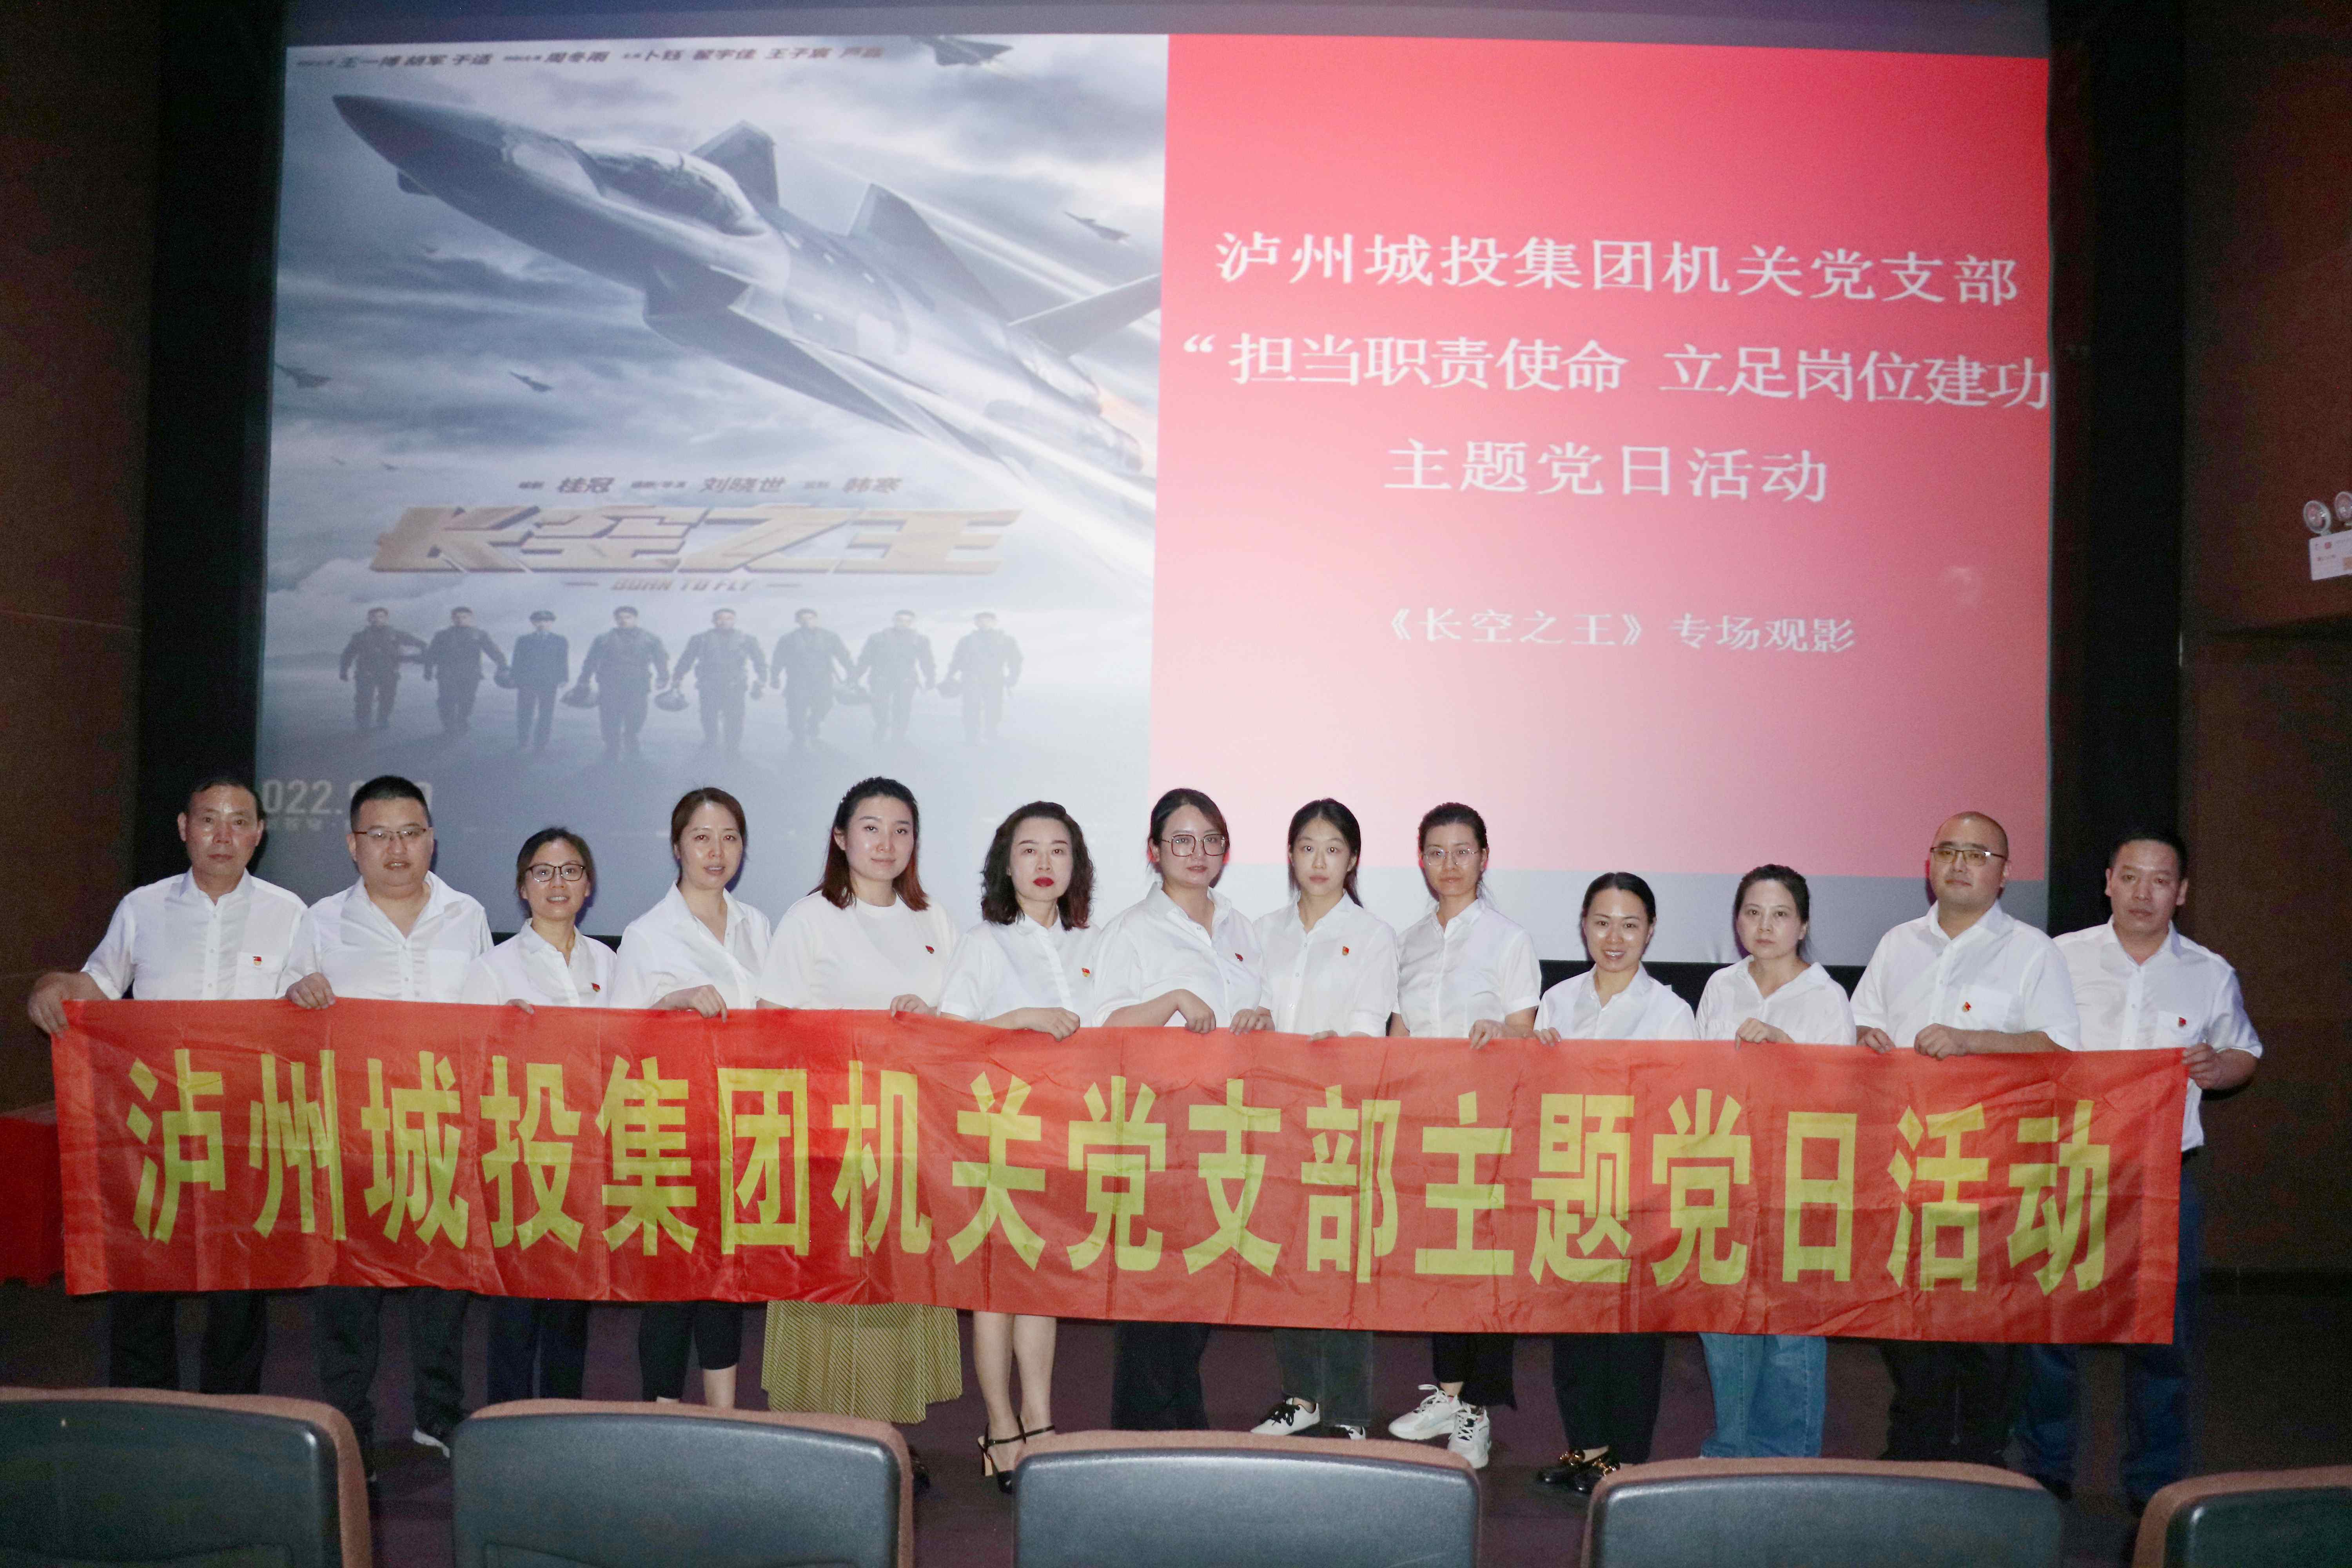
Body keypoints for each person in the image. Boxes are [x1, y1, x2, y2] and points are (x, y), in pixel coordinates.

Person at [25, 775, 306, 1396]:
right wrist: (51, 984)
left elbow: (307, 1003)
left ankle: (231, 1412)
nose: (223, 835)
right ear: (184, 828)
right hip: (154, 1121)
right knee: (145, 1271)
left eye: (239, 822)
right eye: (209, 820)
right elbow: (97, 985)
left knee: (239, 1283)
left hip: (242, 1123)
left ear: (259, 834)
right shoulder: (142, 908)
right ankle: (144, 1407)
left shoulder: (291, 913)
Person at [2018, 829, 2260, 1511]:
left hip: (2162, 1177)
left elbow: (2244, 1054)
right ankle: (2046, 1468)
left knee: (2161, 1339)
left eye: (2160, 880)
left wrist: (2218, 1067)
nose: (2143, 893)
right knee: (2051, 1331)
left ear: (2181, 892)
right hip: (2068, 1169)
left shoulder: (2209, 972)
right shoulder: (2059, 959)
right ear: (2108, 883)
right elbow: (2022, 1043)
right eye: (2130, 877)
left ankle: (2153, 1483)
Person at [1851, 809, 2081, 1468]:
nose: (1960, 863)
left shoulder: (2033, 951)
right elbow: (1860, 1025)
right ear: (1929, 863)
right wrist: (1865, 1040)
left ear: (2004, 874)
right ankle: (1916, 1449)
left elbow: (2061, 1049)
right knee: (1908, 1316)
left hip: (1994, 1171)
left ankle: (1982, 1458)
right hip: (1906, 1164)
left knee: (1988, 1329)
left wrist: (1972, 1040)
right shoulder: (1897, 944)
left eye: (1978, 854)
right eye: (1948, 850)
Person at [281, 775, 493, 1466]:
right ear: (353, 844)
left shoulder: (467, 915)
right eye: (380, 835)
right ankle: (351, 1428)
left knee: (443, 1287)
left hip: (442, 1129)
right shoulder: (319, 921)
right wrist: (296, 993)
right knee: (348, 1291)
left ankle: (439, 1415)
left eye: (410, 834)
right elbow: (278, 1020)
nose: (397, 849)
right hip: (353, 1135)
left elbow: (487, 1014)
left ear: (432, 840)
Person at [755, 777, 962, 1459]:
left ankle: (883, 1440)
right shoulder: (810, 918)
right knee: (834, 1284)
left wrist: (933, 1020)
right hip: (831, 1135)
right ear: (841, 838)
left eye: (902, 830)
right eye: (871, 828)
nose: (886, 843)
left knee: (894, 1285)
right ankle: (824, 1441)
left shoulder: (933, 921)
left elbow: (963, 1023)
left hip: (909, 1136)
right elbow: (771, 1027)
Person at [1088, 787, 1274, 1431]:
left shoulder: (1243, 927)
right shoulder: (1131, 930)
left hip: (1227, 1128)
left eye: (1211, 841)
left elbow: (1262, 1010)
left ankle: (1182, 1423)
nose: (1198, 853)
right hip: (1155, 1129)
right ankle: (1145, 1437)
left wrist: (1262, 1019)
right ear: (1154, 851)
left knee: (1201, 1285)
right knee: (1152, 1290)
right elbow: (1103, 1027)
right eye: (1182, 841)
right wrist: (1170, 998)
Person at [936, 801, 1097, 1488]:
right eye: (1029, 850)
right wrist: (1023, 1019)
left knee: (1040, 1282)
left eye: (1058, 850)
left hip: (1063, 1135)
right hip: (995, 1135)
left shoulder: (1090, 945)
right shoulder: (984, 942)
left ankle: (1040, 1418)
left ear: (1075, 865)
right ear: (1006, 864)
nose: (1044, 863)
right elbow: (948, 1038)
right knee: (994, 1289)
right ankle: (1000, 1425)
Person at [1527, 872, 1697, 1494]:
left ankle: (1624, 1460)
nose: (1615, 938)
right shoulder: (1558, 1001)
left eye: (1630, 925)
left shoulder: (1671, 1012)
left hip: (1638, 1191)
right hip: (1573, 1183)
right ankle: (1586, 1447)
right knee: (1574, 1326)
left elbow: (1679, 1106)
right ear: (1583, 927)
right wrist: (1533, 1056)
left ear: (1651, 932)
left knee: (1631, 1333)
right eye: (1602, 923)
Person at [1383, 802, 1541, 1469]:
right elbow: (1398, 1031)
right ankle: (1448, 1393)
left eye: (1463, 851)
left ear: (1484, 858)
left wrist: (1503, 1034)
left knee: (1488, 1269)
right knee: (1439, 1262)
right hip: (1426, 1126)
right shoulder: (1408, 941)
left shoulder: (1508, 940)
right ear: (1421, 861)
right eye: (1436, 852)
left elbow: (1527, 1034)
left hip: (1489, 1130)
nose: (1450, 864)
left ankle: (1479, 1405)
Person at [610, 788, 772, 1410]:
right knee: (673, 1281)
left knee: (725, 1276)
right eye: (702, 838)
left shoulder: (757, 925)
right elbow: (617, 1040)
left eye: (729, 837)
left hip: (739, 1125)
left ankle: (724, 1415)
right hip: (670, 1129)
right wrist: (672, 1004)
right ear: (677, 846)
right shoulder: (647, 934)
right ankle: (664, 1415)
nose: (716, 851)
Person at [1687, 866, 1856, 1461]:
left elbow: (1842, 1100)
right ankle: (1730, 1447)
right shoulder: (1721, 986)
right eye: (1753, 913)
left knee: (1791, 1328)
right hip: (1726, 1173)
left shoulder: (1826, 997)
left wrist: (1788, 1054)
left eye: (1781, 914)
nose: (1765, 926)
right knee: (1725, 1321)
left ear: (1803, 925)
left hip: (1799, 1180)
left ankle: (1785, 1459)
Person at [1250, 799, 1399, 1443]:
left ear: (1353, 859)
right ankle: (1300, 1395)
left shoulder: (1373, 935)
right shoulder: (1262, 931)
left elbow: (1370, 1027)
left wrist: (1339, 1046)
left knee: (1339, 1262)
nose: (1319, 861)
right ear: (1290, 855)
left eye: (1333, 849)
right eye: (1307, 847)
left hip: (1341, 1119)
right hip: (1275, 1116)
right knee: (1286, 1255)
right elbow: (1253, 1007)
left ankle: (1347, 1411)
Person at [461, 827, 615, 1405]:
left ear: (588, 886)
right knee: (517, 1309)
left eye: (571, 871)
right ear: (523, 887)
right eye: (543, 872)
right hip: (519, 1164)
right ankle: (506, 1423)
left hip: (585, 1159)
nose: (558, 883)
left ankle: (561, 1421)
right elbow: (466, 1065)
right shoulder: (492, 969)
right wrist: (499, 1032)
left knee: (571, 1310)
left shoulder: (609, 962)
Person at [670, 607, 769, 758]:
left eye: (729, 618)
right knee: (708, 715)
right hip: (709, 684)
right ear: (714, 621)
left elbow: (759, 660)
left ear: (735, 621)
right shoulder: (700, 639)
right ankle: (711, 741)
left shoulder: (747, 639)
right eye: (720, 619)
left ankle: (733, 747)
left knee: (735, 717)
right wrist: (678, 677)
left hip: (735, 685)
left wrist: (762, 679)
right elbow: (687, 659)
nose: (724, 622)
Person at [577, 606, 670, 759]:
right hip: (610, 683)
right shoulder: (603, 639)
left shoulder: (650, 639)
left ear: (635, 619)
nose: (624, 621)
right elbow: (591, 660)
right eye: (620, 618)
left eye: (628, 617)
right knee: (609, 715)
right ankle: (612, 745)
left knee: (637, 714)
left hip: (638, 684)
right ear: (615, 620)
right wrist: (584, 679)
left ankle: (631, 736)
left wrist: (663, 677)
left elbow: (660, 659)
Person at [770, 607, 854, 744]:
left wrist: (851, 673)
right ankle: (798, 736)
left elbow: (843, 656)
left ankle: (814, 723)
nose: (807, 621)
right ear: (797, 621)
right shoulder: (788, 639)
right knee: (797, 710)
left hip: (822, 680)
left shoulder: (830, 637)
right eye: (803, 619)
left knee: (825, 705)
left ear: (816, 620)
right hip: (798, 681)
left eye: (810, 618)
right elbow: (778, 659)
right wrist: (775, 677)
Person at [421, 606, 510, 736]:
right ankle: (449, 725)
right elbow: (432, 653)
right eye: (457, 618)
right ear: (452, 619)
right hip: (447, 674)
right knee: (446, 700)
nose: (461, 620)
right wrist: (428, 669)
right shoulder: (442, 635)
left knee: (467, 700)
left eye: (464, 617)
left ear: (471, 618)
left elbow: (492, 650)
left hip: (471, 674)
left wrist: (502, 664)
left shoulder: (479, 634)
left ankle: (462, 719)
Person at [339, 606, 425, 733]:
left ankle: (383, 720)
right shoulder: (360, 637)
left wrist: (422, 655)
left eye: (381, 617)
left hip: (389, 672)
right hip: (366, 673)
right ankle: (363, 724)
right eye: (374, 617)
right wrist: (344, 670)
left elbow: (420, 643)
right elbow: (348, 654)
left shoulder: (396, 634)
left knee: (387, 699)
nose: (377, 619)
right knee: (363, 700)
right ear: (369, 619)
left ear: (386, 619)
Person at [855, 610, 935, 744]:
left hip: (906, 680)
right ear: (894, 620)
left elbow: (927, 660)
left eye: (908, 621)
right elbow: (865, 659)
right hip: (881, 679)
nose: (903, 623)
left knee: (903, 709)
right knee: (879, 707)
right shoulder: (877, 638)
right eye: (900, 620)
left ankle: (898, 737)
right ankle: (882, 724)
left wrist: (930, 678)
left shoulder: (920, 640)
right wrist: (855, 676)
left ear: (912, 623)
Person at [946, 611, 1022, 744]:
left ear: (995, 623)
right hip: (971, 679)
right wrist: (950, 675)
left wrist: (1013, 677)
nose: (984, 623)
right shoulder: (966, 641)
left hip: (995, 679)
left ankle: (991, 732)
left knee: (994, 708)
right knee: (971, 708)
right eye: (981, 621)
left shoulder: (1006, 640)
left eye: (988, 621)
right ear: (976, 623)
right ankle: (972, 736)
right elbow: (957, 659)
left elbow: (1015, 659)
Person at [510, 610, 569, 753]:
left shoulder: (560, 640)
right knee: (525, 712)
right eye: (538, 621)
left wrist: (564, 678)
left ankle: (541, 743)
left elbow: (562, 661)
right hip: (527, 682)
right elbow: (517, 660)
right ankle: (523, 740)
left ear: (552, 623)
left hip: (549, 682)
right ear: (533, 623)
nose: (542, 624)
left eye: (546, 621)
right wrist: (515, 678)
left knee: (546, 713)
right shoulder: (523, 640)